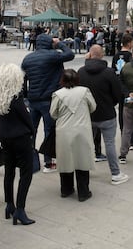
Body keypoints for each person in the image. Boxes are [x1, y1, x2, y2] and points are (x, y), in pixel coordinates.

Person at [0, 63, 36, 225]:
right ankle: (20, 209)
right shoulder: (16, 99)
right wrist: (32, 131)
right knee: (26, 173)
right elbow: (27, 119)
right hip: (20, 138)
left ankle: (9, 204)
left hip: (5, 137)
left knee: (9, 172)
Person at [21, 33, 74, 172]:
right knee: (49, 131)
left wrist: (25, 97)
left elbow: (24, 78)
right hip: (48, 99)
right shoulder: (52, 56)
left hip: (33, 100)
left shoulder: (28, 59)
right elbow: (70, 54)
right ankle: (48, 162)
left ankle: (29, 160)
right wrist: (59, 44)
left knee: (31, 130)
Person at [78, 45, 129, 185]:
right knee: (110, 144)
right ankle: (116, 174)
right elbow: (117, 94)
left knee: (87, 144)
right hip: (107, 113)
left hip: (88, 114)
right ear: (102, 55)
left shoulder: (81, 72)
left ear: (89, 54)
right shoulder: (109, 72)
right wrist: (110, 103)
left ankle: (84, 171)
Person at [50, 69, 96, 201]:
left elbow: (53, 113)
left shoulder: (57, 94)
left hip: (64, 131)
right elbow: (93, 107)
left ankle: (66, 189)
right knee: (82, 160)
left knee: (65, 159)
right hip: (82, 129)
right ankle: (83, 192)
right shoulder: (85, 91)